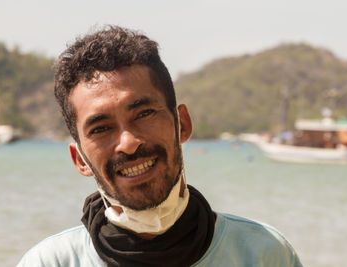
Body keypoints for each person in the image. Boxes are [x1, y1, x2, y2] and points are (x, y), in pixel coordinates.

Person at [18, 26, 302, 267]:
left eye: (144, 114)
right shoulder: (50, 263)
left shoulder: (263, 254)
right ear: (79, 159)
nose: (128, 144)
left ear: (183, 124)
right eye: (101, 129)